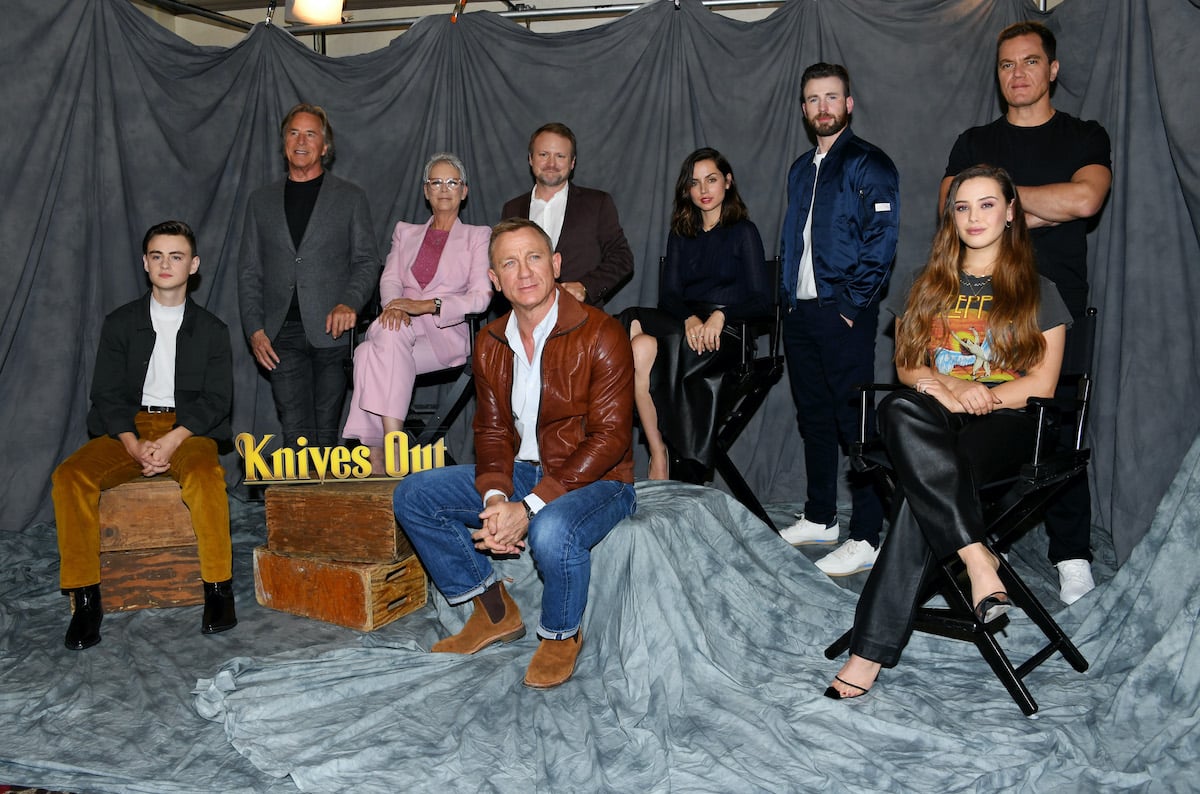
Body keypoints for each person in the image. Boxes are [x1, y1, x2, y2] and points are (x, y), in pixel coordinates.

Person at [826, 165, 1070, 700]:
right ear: (951, 218)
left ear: (1010, 213)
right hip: (939, 414)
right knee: (896, 409)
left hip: (1009, 423)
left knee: (922, 491)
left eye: (987, 205)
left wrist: (984, 396)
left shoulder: (1038, 289)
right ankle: (978, 556)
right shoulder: (927, 284)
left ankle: (868, 652)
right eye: (962, 207)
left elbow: (1044, 384)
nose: (974, 216)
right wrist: (954, 390)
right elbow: (910, 369)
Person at [392, 218, 636, 690]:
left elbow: (609, 439)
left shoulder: (602, 333)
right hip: (527, 473)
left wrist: (528, 507)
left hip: (601, 480)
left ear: (556, 264)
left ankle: (562, 634)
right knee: (415, 494)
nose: (524, 272)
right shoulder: (491, 342)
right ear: (494, 280)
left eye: (534, 257)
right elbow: (492, 429)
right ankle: (494, 612)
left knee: (551, 529)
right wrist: (495, 499)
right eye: (509, 262)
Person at [940, 21, 1112, 605]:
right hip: (982, 308)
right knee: (977, 416)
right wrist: (1040, 204)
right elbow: (951, 206)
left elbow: (1086, 199)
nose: (1018, 74)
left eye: (1030, 62)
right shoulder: (974, 140)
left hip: (1057, 304)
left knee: (1057, 423)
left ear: (1052, 69)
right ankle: (985, 539)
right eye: (1007, 64)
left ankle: (1071, 554)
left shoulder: (1083, 134)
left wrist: (1003, 203)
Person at [51, 221, 236, 650]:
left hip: (188, 429)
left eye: (176, 256)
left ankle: (218, 590)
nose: (165, 264)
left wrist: (172, 441)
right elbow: (107, 394)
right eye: (157, 256)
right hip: (128, 428)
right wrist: (133, 444)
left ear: (193, 265)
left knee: (207, 477)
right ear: (145, 263)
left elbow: (216, 400)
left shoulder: (212, 329)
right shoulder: (120, 322)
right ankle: (85, 600)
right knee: (69, 476)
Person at [778, 63, 900, 577]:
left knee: (856, 424)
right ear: (805, 110)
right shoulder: (800, 169)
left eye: (832, 97)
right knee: (814, 418)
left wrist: (852, 305)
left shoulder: (870, 164)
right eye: (813, 99)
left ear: (848, 104)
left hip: (843, 312)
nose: (822, 107)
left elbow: (882, 240)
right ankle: (821, 515)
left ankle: (867, 535)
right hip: (800, 313)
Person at [621, 148, 769, 481]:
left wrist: (722, 316)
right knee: (635, 335)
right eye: (695, 182)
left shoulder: (743, 232)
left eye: (711, 180)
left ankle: (673, 454)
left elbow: (761, 300)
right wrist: (690, 319)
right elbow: (669, 296)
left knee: (649, 349)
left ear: (727, 183)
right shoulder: (681, 233)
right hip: (684, 324)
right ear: (687, 190)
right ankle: (658, 452)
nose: (703, 189)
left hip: (729, 332)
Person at [238, 102, 380, 448]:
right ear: (284, 142)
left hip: (331, 332)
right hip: (279, 334)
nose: (301, 140)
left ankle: (325, 502)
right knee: (295, 431)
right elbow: (249, 271)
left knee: (326, 429)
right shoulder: (260, 201)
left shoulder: (350, 197)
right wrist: (254, 330)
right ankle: (299, 502)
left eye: (310, 133)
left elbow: (367, 261)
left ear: (325, 147)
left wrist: (350, 302)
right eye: (293, 132)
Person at [342, 152, 492, 454]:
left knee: (367, 352)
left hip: (443, 339)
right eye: (436, 182)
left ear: (464, 191)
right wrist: (395, 306)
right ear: (426, 191)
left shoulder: (478, 236)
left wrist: (426, 305)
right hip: (399, 327)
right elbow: (390, 279)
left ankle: (377, 450)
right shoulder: (405, 232)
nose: (444, 188)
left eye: (452, 182)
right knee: (387, 336)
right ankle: (391, 441)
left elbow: (481, 296)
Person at [500, 122, 634, 307]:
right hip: (525, 319)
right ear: (531, 159)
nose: (551, 164)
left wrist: (586, 287)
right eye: (543, 154)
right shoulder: (512, 209)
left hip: (582, 319)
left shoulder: (597, 204)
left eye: (560, 156)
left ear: (572, 162)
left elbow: (622, 259)